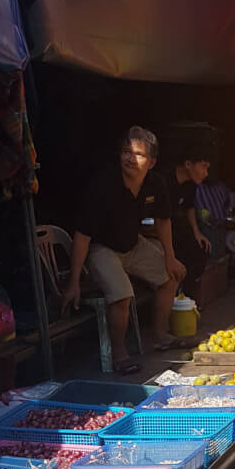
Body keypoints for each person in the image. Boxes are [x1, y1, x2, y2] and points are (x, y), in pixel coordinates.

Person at [61, 126, 187, 374]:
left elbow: (163, 220)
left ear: (151, 162)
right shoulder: (103, 184)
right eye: (125, 152)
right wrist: (74, 281)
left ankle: (160, 336)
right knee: (122, 296)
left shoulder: (156, 183)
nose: (130, 158)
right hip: (102, 248)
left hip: (133, 243)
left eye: (138, 154)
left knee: (170, 277)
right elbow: (83, 234)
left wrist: (170, 258)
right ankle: (119, 353)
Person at [165, 148, 212, 302]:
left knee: (201, 249)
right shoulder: (164, 181)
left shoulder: (191, 184)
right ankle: (173, 297)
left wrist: (196, 233)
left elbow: (189, 207)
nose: (206, 173)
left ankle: (187, 298)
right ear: (188, 164)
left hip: (174, 227)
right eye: (203, 166)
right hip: (156, 230)